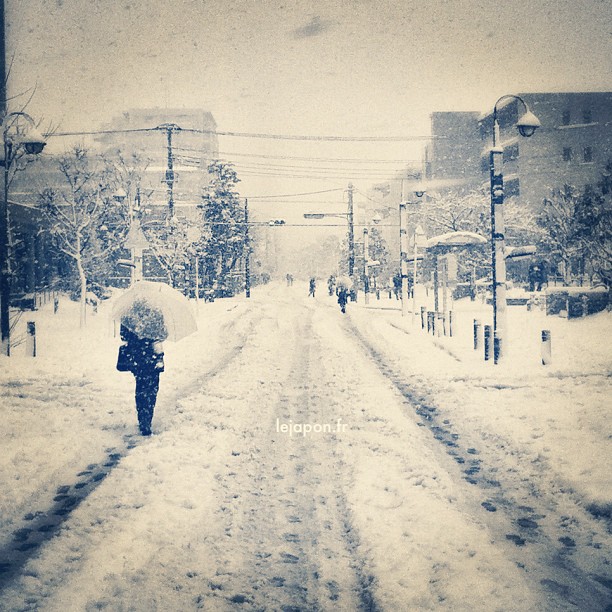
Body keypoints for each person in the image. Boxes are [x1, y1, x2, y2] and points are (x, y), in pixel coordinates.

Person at [117, 324, 165, 436]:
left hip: (137, 358)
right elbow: (163, 334)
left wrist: (136, 338)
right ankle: (147, 419)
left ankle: (142, 418)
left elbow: (123, 336)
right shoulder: (156, 313)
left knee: (141, 388)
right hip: (153, 358)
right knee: (152, 390)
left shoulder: (129, 314)